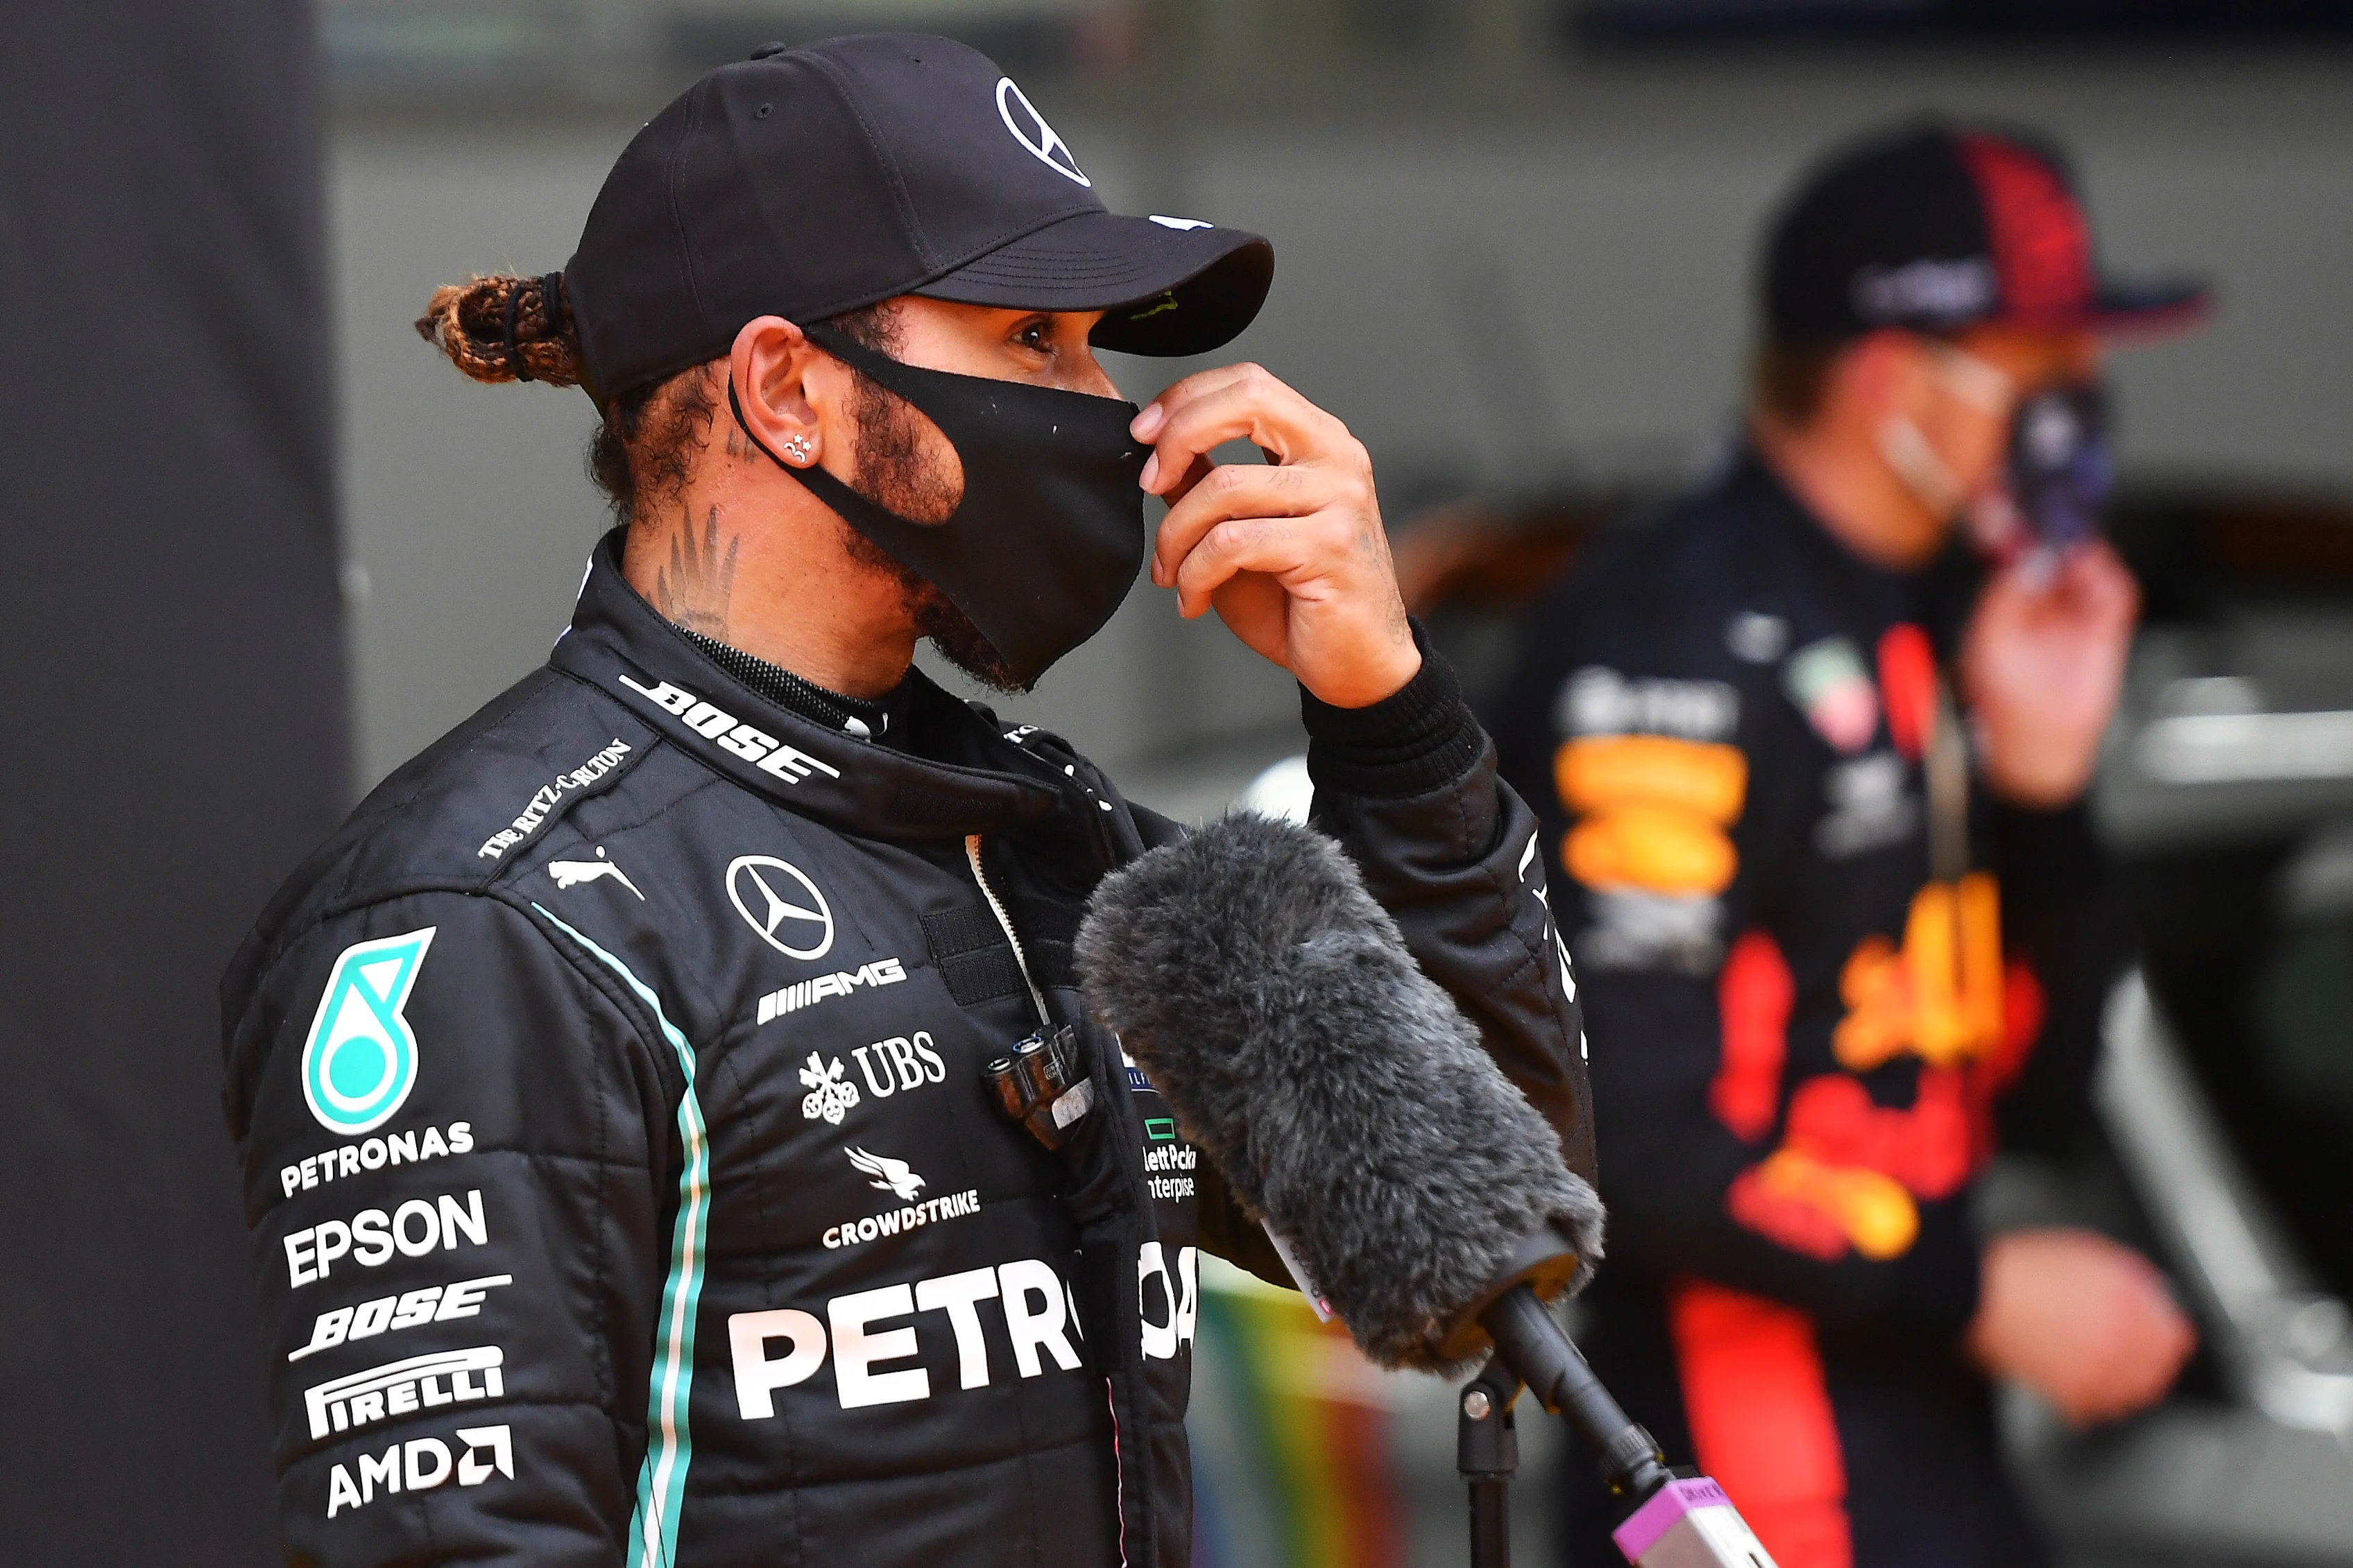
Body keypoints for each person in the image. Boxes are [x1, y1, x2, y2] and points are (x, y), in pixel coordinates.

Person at [220, 35, 1593, 1568]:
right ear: (786, 390)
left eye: (1094, 347)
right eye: (1034, 340)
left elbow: (1491, 1223)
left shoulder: (1056, 847)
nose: (1121, 418)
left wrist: (1387, 712)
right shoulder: (482, 921)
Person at [1489, 121, 2205, 1568]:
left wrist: (2046, 791)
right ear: (1893, 374)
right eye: (2045, 367)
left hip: (1928, 1441)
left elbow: (2041, 1095)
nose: (2081, 408)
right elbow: (1618, 1131)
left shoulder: (1954, 612)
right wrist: (1980, 1290)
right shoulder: (1667, 639)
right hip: (1732, 1474)